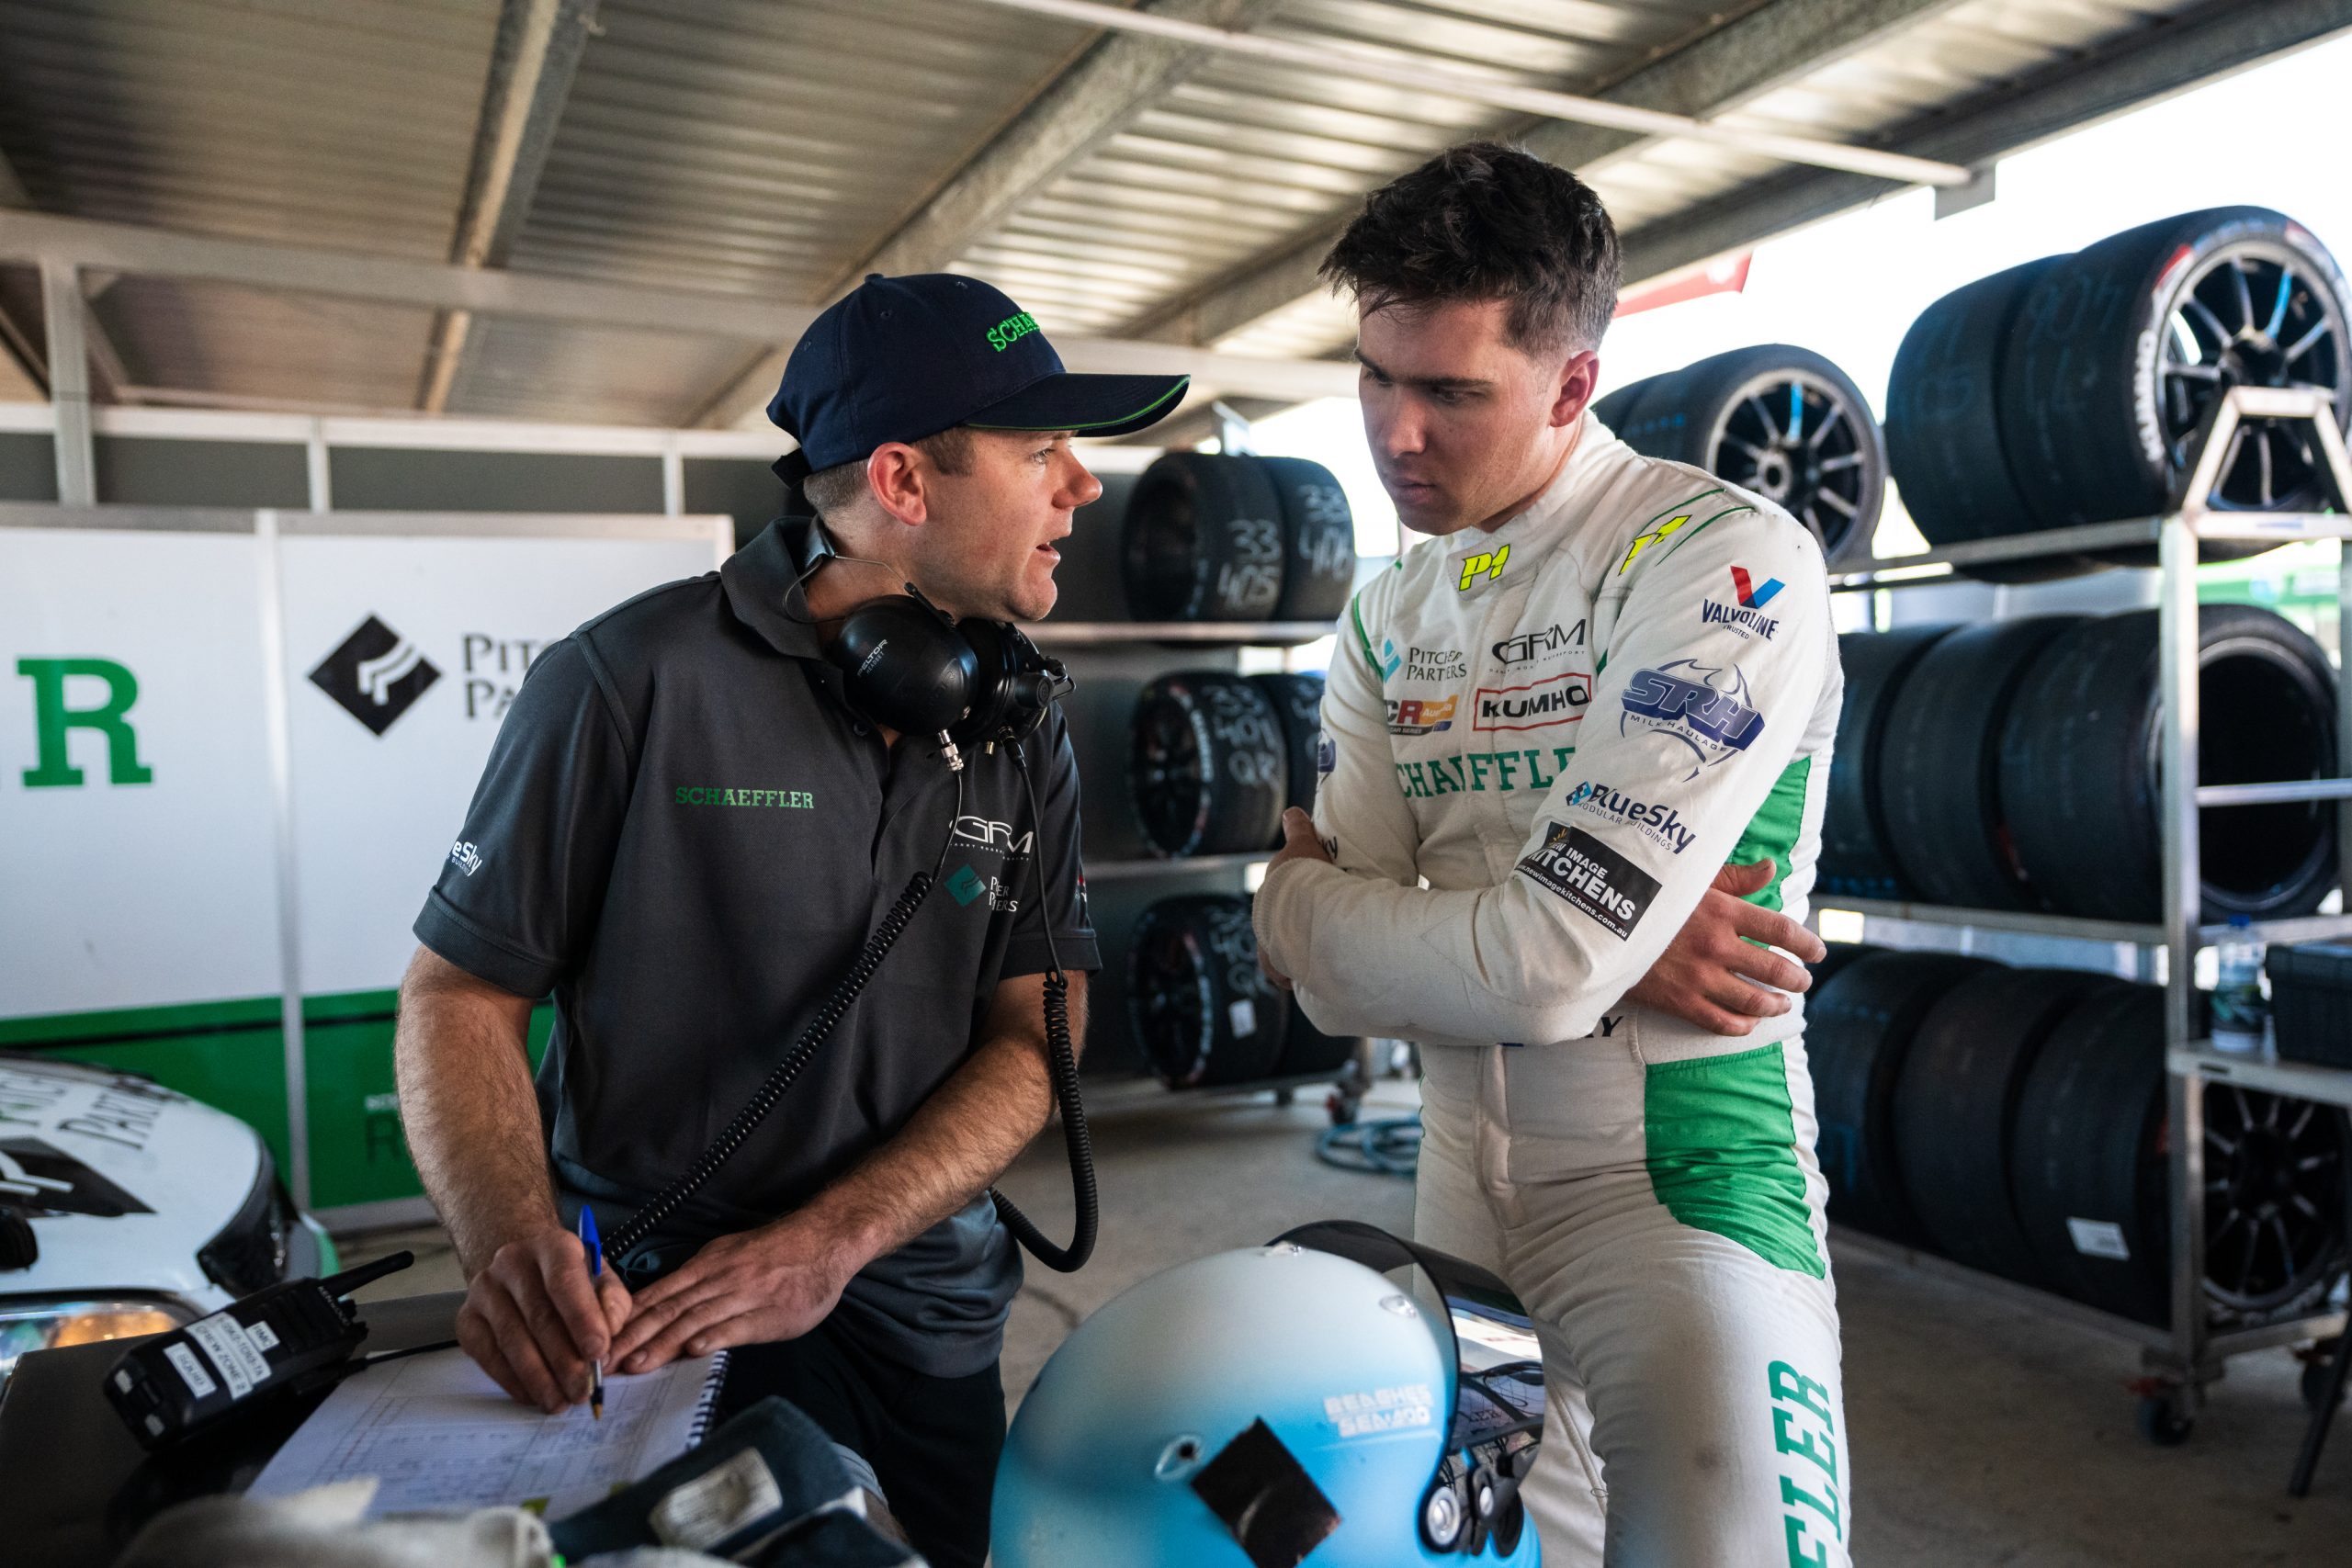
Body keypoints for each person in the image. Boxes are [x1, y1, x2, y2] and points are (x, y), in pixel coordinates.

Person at [392, 272, 1187, 1568]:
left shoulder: (1014, 716)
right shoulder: (622, 682)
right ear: (903, 482)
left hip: (929, 1316)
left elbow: (1034, 1033)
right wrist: (511, 1245)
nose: (1082, 487)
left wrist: (835, 1239)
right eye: (1042, 450)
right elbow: (458, 997)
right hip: (662, 1323)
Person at [1252, 142, 1850, 1566]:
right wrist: (1306, 917)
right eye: (1376, 378)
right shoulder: (1386, 611)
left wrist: (1324, 907)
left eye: (1453, 393)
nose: (1397, 435)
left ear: (1573, 385)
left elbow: (1536, 970)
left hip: (1683, 1193)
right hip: (1453, 1197)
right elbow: (1326, 980)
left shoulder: (1720, 558)